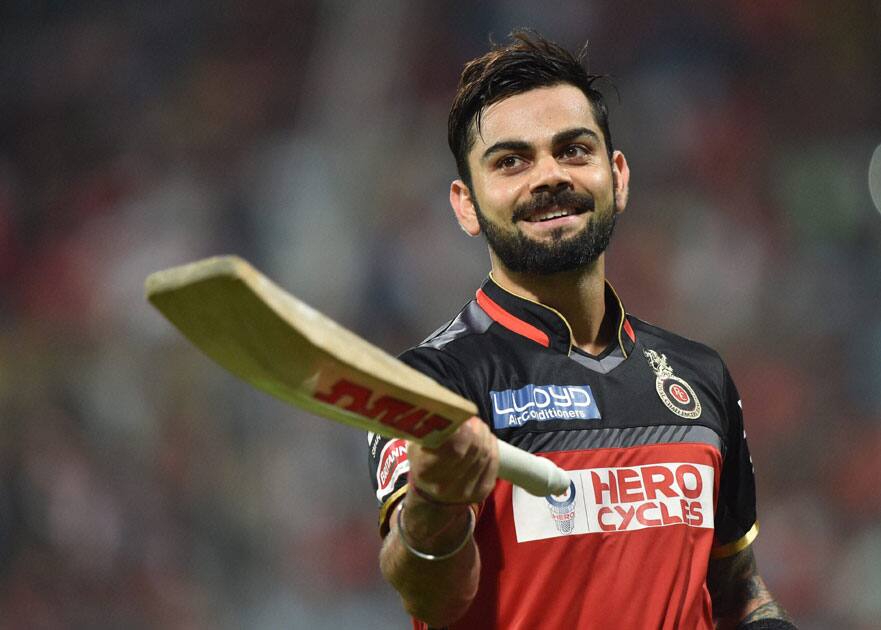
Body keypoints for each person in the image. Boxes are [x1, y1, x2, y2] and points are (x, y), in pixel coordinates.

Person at [367, 31, 796, 629]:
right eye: (511, 161)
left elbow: (736, 586)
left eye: (573, 150)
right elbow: (428, 597)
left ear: (617, 177)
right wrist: (436, 498)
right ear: (466, 205)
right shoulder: (433, 382)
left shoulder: (700, 377)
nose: (549, 176)